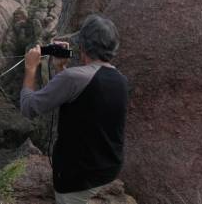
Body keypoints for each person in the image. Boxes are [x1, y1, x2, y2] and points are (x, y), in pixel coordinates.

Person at [20, 14, 130, 204]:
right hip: (108, 170)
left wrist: (30, 69)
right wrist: (60, 68)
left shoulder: (73, 78)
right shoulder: (120, 79)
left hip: (78, 180)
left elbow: (29, 107)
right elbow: (83, 103)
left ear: (82, 47)